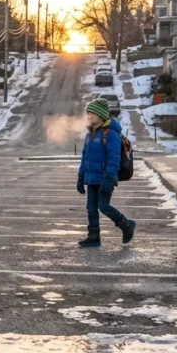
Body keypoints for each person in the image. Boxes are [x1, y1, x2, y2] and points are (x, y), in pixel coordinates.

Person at [76, 98, 136, 248]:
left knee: (103, 206)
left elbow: (113, 159)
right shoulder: (90, 135)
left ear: (101, 115)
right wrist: (81, 176)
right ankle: (93, 236)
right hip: (91, 178)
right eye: (88, 113)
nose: (89, 116)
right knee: (91, 208)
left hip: (104, 178)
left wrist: (109, 179)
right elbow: (85, 157)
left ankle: (126, 225)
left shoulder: (110, 134)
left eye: (92, 113)